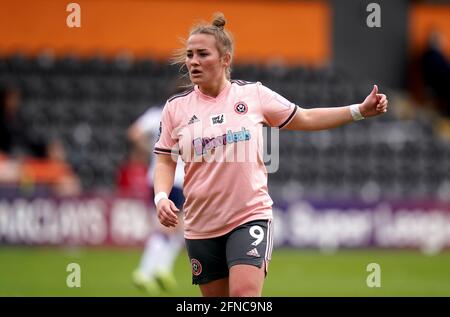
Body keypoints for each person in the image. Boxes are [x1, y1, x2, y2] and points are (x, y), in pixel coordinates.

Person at [153, 12, 388, 297]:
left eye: (203, 54)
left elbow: (307, 118)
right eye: (190, 54)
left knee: (244, 298)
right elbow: (165, 159)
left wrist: (359, 111)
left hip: (249, 217)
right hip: (200, 226)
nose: (193, 61)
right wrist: (161, 196)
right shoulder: (175, 108)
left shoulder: (254, 96)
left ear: (225, 59)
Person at [127, 106, 185, 295]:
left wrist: (151, 151)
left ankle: (161, 269)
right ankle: (145, 272)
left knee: (177, 227)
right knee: (171, 226)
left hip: (157, 176)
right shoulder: (191, 114)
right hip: (176, 179)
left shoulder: (155, 114)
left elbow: (134, 133)